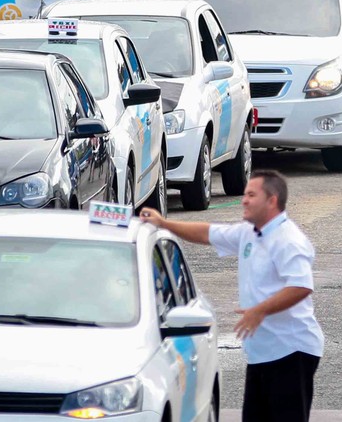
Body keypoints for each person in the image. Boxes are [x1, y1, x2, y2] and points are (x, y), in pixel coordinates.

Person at [139, 170, 324, 422]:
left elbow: (302, 286)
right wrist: (163, 223)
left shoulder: (288, 240)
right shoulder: (249, 233)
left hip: (291, 352)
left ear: (272, 201)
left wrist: (260, 310)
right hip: (262, 353)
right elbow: (206, 233)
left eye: (251, 195)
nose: (243, 200)